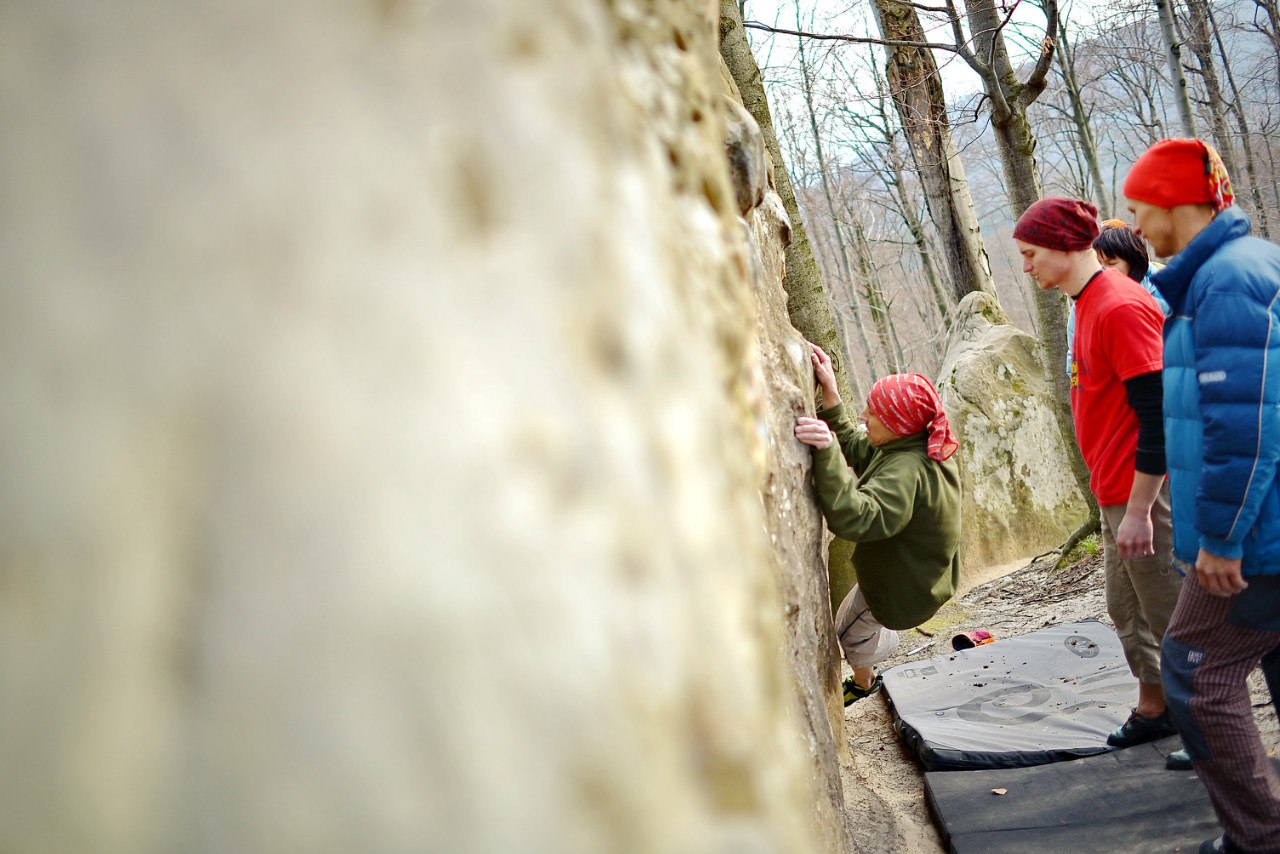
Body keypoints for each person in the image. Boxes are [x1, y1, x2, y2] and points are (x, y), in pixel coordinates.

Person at [1125, 137, 1280, 854]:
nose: (1136, 224)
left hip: (1256, 538)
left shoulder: (1227, 280)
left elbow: (1244, 428)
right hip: (1261, 528)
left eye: (1140, 206)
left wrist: (1221, 538)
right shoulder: (1227, 272)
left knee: (1193, 674)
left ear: (1176, 201)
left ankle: (1257, 838)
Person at [1013, 196, 1184, 748]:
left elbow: (1157, 416)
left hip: (1143, 492)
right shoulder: (1084, 304)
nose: (1025, 266)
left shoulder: (1118, 304)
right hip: (1112, 488)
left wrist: (1139, 511)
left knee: (1172, 618)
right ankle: (1156, 708)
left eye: (1030, 253)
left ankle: (1213, 736)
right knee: (1124, 607)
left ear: (1064, 246)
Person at [793, 346, 961, 706]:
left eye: (874, 412)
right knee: (852, 618)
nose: (863, 415)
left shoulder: (906, 471)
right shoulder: (912, 442)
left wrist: (827, 454)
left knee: (848, 632)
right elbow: (858, 445)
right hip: (913, 573)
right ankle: (874, 653)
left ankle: (865, 681)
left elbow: (855, 517)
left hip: (902, 589)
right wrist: (831, 396)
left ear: (898, 424)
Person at [1064, 219, 1170, 376]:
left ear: (1132, 262)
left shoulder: (1165, 291)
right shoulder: (1082, 307)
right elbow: (1076, 364)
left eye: (1111, 263)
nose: (1102, 270)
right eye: (1098, 263)